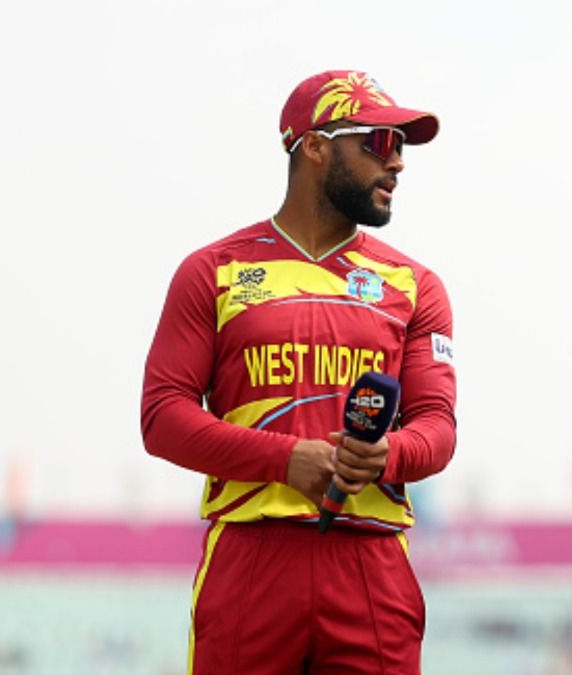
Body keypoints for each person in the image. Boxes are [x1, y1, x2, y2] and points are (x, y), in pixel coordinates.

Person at [141, 70, 457, 672]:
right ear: (314, 146)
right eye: (380, 143)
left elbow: (438, 427)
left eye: (401, 147)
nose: (397, 164)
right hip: (250, 557)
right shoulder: (212, 271)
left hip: (371, 562)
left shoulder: (416, 286)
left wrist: (386, 455)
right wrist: (285, 460)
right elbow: (162, 418)